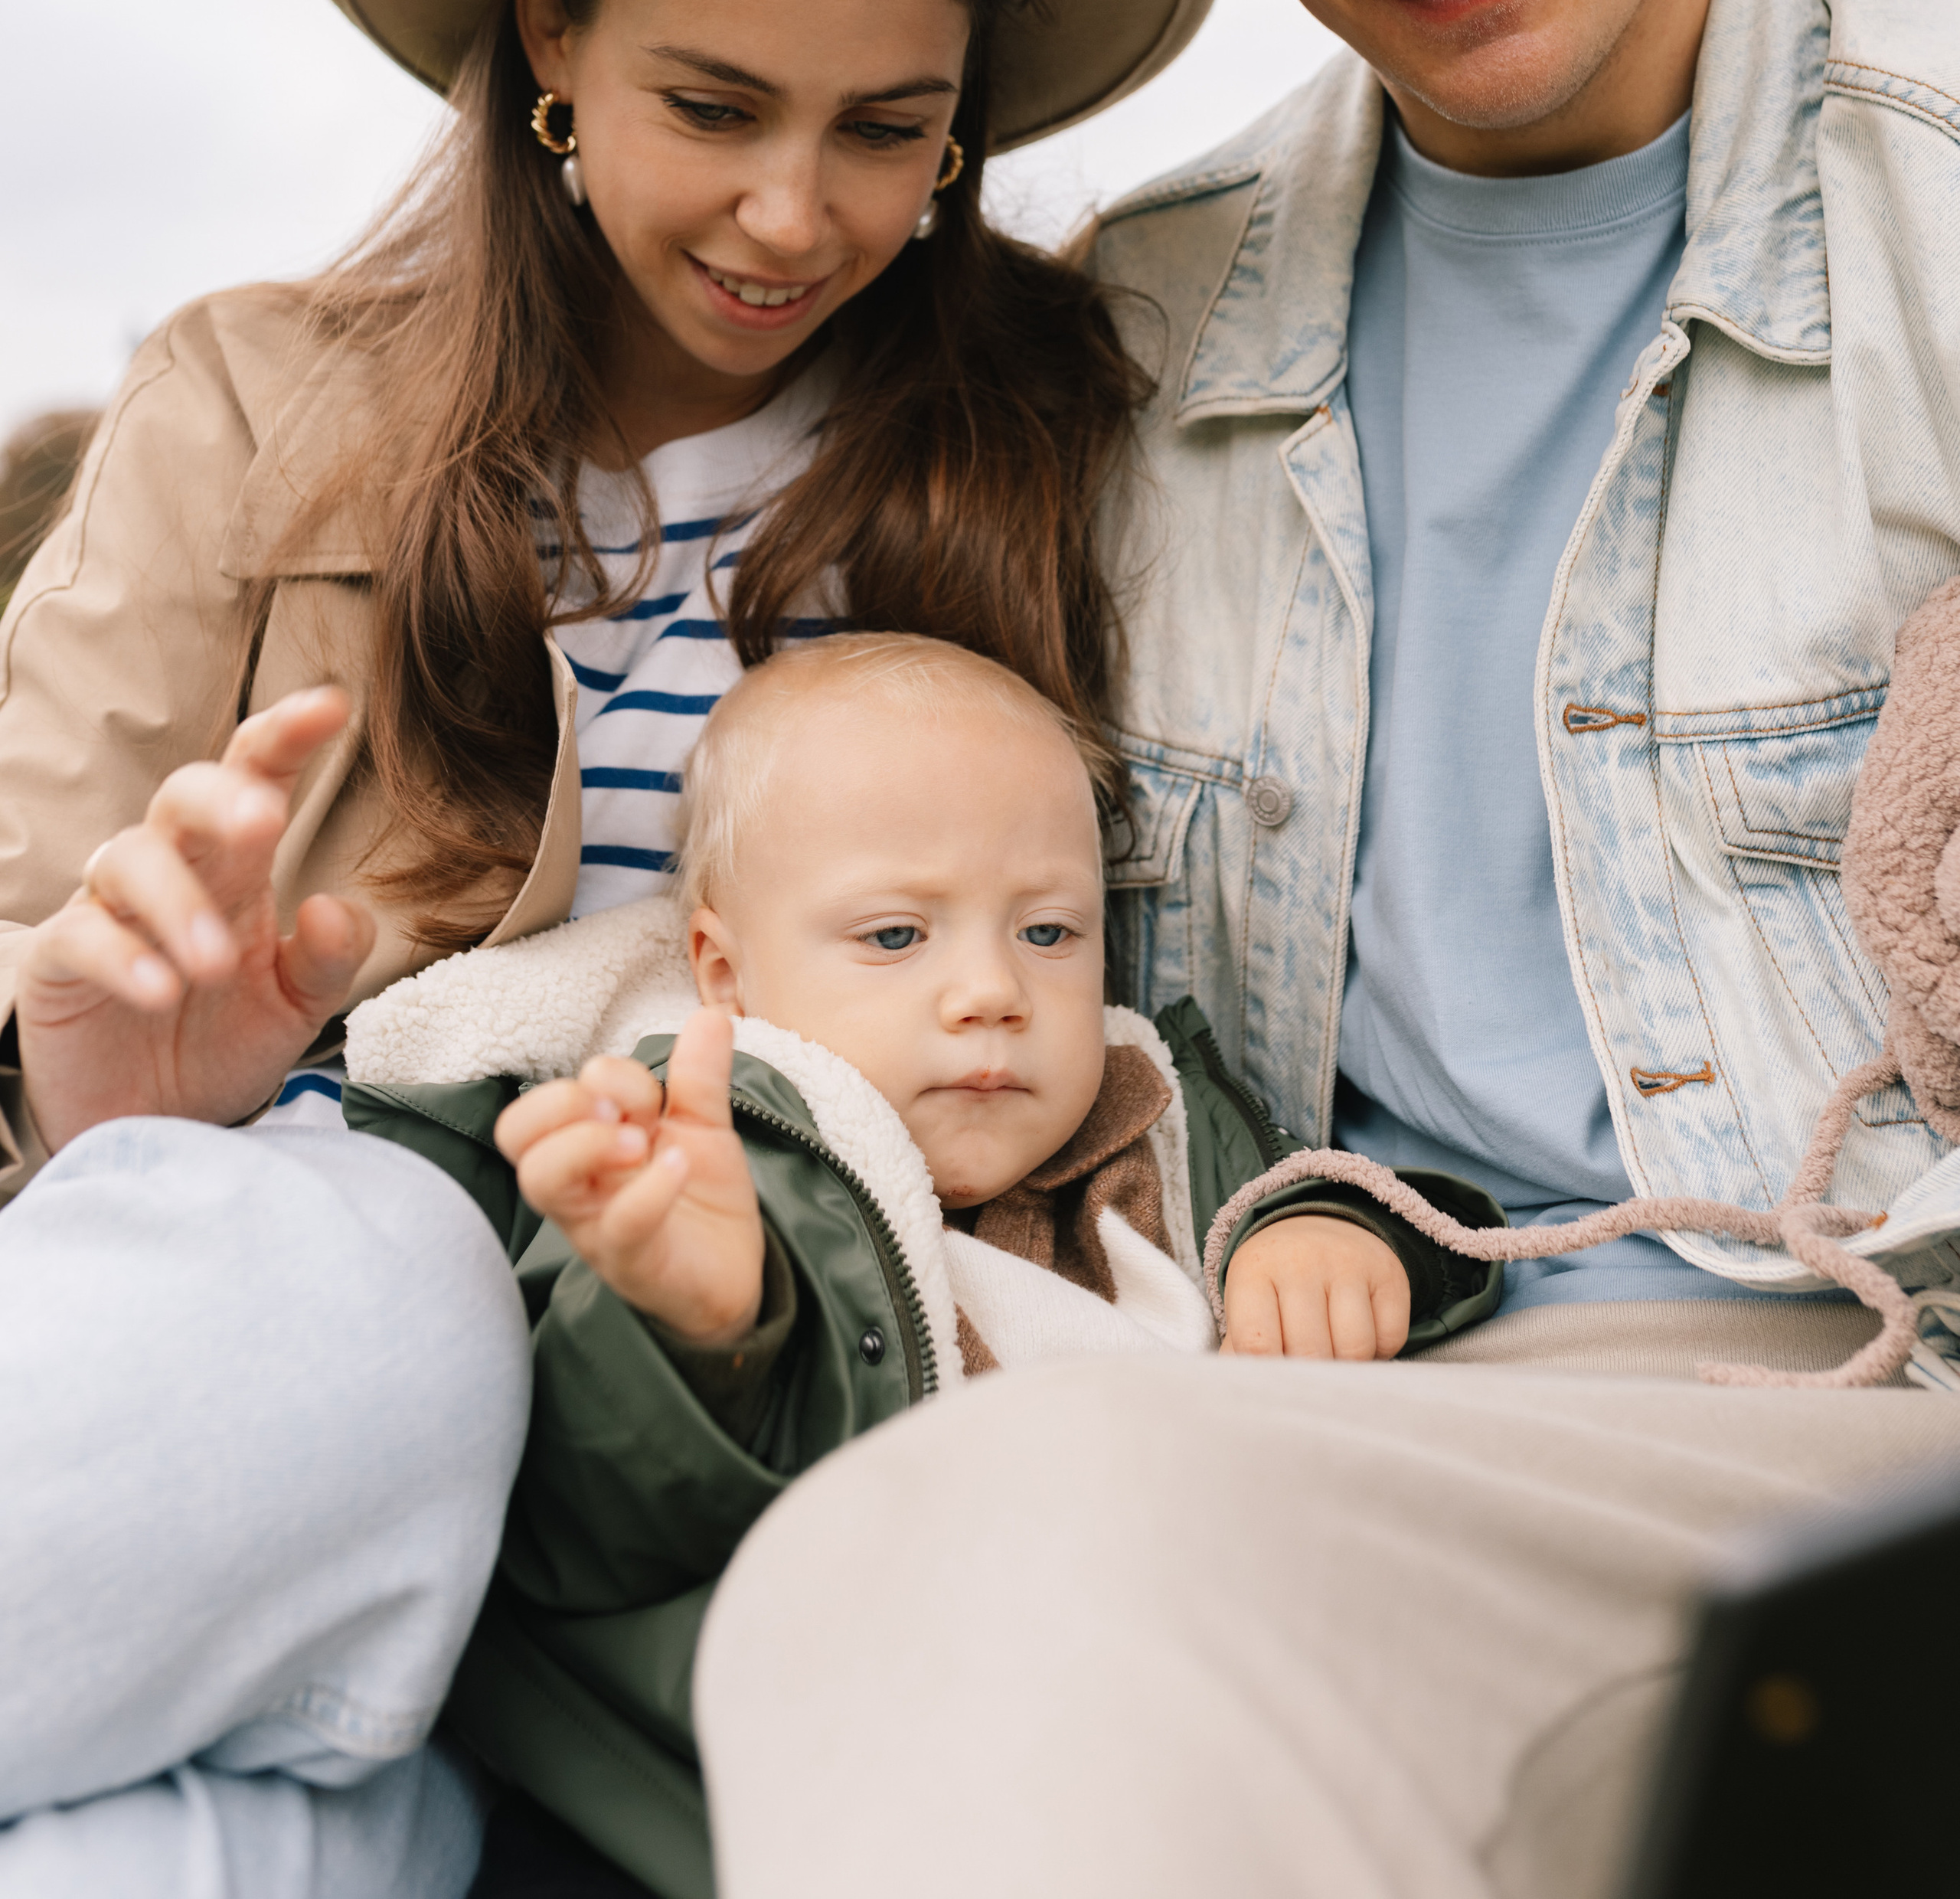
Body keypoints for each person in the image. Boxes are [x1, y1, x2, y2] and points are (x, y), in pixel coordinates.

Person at [686, 0, 1960, 1898]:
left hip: (1890, 1405)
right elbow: (828, 850)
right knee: (914, 1563)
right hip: (1345, 1426)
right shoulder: (1123, 341)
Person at [0, 0, 1218, 1897]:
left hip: (811, 1349)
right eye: (712, 106)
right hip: (337, 1266)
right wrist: (99, 1086)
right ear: (550, 23)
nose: (797, 215)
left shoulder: (1049, 443)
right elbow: (35, 956)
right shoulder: (245, 406)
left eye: (894, 132)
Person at [332, 632, 1501, 1891]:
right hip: (776, 1784)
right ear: (726, 973)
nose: (992, 991)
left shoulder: (1160, 1120)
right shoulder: (702, 1158)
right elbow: (601, 1518)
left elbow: (1403, 1217)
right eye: (896, 937)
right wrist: (695, 1321)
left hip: (1163, 1724)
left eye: (1051, 931)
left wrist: (1334, 1231)